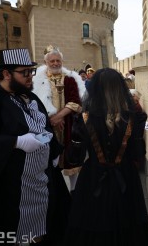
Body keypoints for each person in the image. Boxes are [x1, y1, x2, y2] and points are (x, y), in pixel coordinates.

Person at [0, 48, 69, 245]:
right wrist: (15, 142)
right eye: (24, 72)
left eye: (31, 72)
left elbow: (44, 127)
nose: (29, 77)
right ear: (6, 74)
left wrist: (53, 149)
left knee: (43, 229)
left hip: (41, 184)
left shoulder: (30, 97)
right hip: (11, 190)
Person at [65, 68, 148, 245]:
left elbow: (75, 156)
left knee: (93, 220)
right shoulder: (135, 117)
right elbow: (138, 152)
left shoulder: (83, 118)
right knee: (129, 221)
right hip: (126, 177)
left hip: (93, 176)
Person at [33, 45, 86, 192]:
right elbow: (36, 102)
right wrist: (51, 118)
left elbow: (75, 101)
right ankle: (52, 189)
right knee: (48, 156)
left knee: (70, 157)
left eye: (58, 60)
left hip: (68, 123)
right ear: (46, 63)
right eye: (52, 61)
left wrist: (59, 116)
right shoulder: (38, 80)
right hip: (46, 124)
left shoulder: (69, 79)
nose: (55, 63)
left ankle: (74, 190)